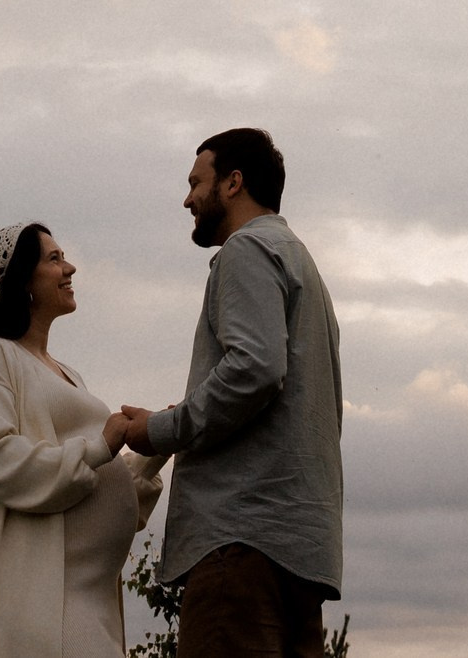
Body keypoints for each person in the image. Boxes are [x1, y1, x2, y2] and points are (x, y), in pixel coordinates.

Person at [116, 129, 343, 658]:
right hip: (301, 553)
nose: (188, 199)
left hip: (239, 546)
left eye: (197, 182)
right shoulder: (303, 266)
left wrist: (159, 430)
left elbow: (255, 369)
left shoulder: (247, 250)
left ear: (233, 183)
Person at [0, 221, 167, 658]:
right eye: (54, 259)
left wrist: (159, 444)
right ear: (20, 281)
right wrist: (101, 445)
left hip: (88, 601)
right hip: (42, 600)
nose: (69, 268)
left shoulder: (67, 373)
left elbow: (92, 481)